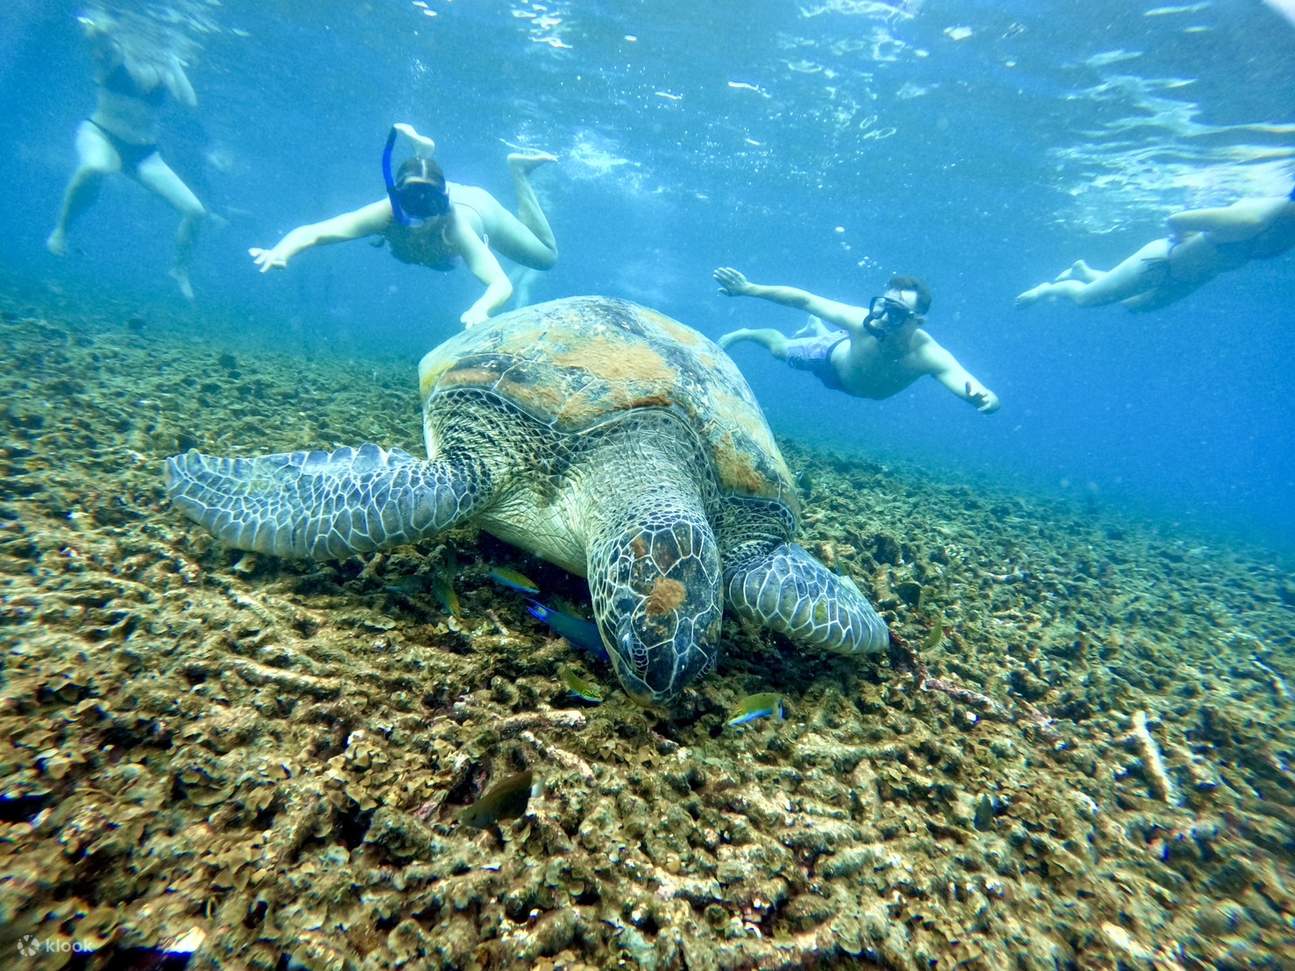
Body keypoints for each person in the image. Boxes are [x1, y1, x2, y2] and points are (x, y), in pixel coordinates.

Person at [249, 124, 558, 327]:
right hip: (430, 190)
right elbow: (314, 232)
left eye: (430, 206)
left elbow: (500, 283)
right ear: (398, 200)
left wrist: (482, 309)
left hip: (478, 206)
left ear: (442, 203)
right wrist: (282, 250)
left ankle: (518, 172)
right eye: (411, 204)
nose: (420, 218)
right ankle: (424, 156)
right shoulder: (386, 212)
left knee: (545, 258)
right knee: (421, 179)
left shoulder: (456, 225)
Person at [47, 11, 207, 300]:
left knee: (196, 211)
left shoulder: (167, 68)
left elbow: (189, 102)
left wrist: (172, 60)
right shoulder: (113, 56)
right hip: (101, 135)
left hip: (144, 152)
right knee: (94, 168)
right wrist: (102, 26)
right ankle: (61, 231)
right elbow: (95, 36)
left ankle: (179, 270)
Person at [714, 268, 1000, 414]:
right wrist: (749, 289)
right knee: (779, 349)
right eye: (881, 307)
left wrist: (986, 400)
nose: (883, 319)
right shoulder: (860, 321)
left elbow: (978, 389)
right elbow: (805, 299)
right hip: (828, 359)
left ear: (917, 321)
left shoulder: (929, 355)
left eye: (897, 314)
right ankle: (745, 333)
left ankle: (819, 328)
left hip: (852, 377)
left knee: (824, 334)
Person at [1015, 187, 1295, 312]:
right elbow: (1176, 219)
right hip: (1162, 261)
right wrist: (1184, 246)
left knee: (1134, 306)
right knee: (1086, 300)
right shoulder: (1254, 218)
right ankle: (1046, 289)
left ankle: (1084, 271)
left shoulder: (1284, 228)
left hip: (1191, 278)